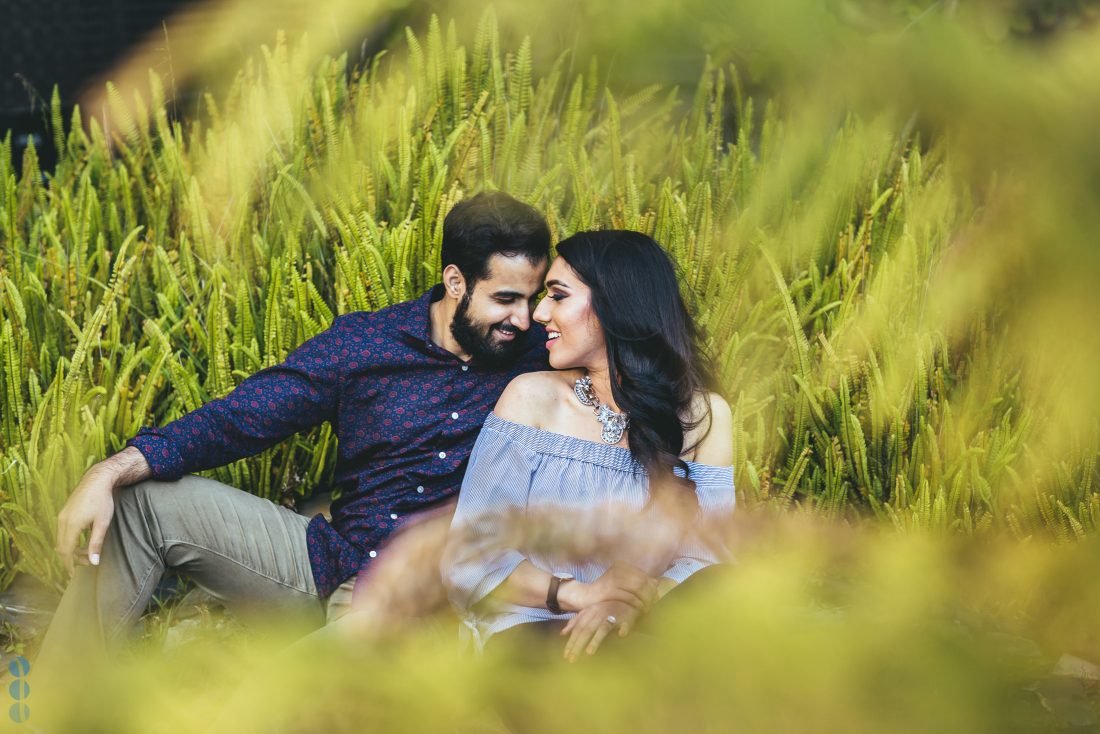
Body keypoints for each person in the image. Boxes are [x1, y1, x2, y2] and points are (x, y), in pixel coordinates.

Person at [34, 191, 558, 680]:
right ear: (455, 281)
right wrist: (108, 470)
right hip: (330, 560)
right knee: (141, 501)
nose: (524, 318)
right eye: (506, 299)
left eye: (532, 298)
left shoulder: (542, 361)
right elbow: (245, 416)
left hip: (429, 596)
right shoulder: (366, 344)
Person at [442, 230, 735, 660]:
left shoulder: (701, 417)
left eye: (557, 296)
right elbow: (471, 559)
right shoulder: (531, 399)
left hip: (642, 627)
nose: (540, 313)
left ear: (616, 306)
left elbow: (706, 558)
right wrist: (581, 594)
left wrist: (629, 600)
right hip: (535, 628)